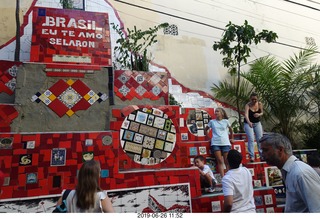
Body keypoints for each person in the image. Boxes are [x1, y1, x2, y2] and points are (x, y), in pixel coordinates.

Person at [259, 133, 320, 212]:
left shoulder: (300, 173)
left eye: (266, 150)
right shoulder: (289, 171)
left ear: (280, 150)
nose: (262, 155)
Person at [205, 107, 234, 177]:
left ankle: (229, 177)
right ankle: (223, 177)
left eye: (217, 111)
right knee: (220, 161)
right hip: (215, 143)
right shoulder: (212, 122)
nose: (216, 113)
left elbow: (231, 130)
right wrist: (209, 138)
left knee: (226, 161)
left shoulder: (226, 121)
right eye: (215, 111)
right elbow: (206, 129)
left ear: (222, 113)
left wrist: (232, 138)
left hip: (225, 142)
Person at [244, 92, 264, 162]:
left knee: (260, 138)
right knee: (251, 139)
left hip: (257, 123)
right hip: (248, 123)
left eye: (255, 99)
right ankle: (252, 156)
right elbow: (246, 114)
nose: (254, 101)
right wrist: (249, 122)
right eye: (252, 99)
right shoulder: (248, 105)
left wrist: (259, 114)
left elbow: (262, 112)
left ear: (257, 99)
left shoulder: (259, 104)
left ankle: (262, 155)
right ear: (250, 99)